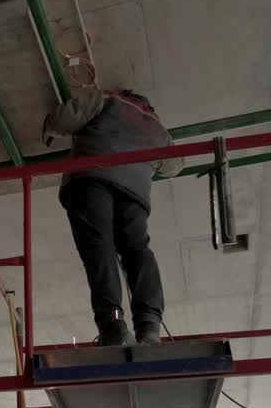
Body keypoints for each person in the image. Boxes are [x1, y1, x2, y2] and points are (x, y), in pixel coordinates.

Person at [43, 87, 183, 346]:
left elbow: (66, 117)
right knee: (137, 250)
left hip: (92, 177)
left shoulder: (107, 100)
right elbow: (174, 165)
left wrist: (50, 127)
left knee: (100, 247)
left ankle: (113, 324)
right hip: (134, 191)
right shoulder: (157, 129)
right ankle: (149, 325)